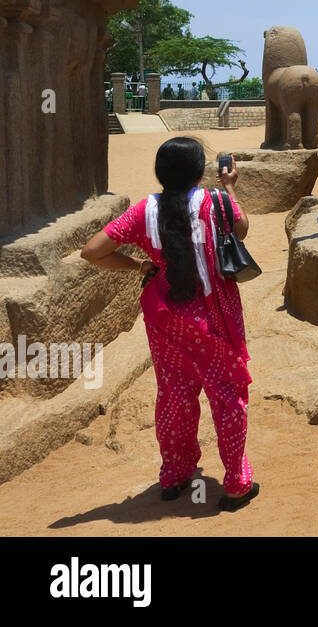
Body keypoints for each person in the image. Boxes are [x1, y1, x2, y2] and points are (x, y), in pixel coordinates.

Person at [79, 137, 258, 511]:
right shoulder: (215, 203)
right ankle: (237, 484)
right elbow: (240, 230)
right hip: (213, 320)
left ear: (161, 173)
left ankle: (175, 476)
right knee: (227, 396)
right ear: (199, 172)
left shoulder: (145, 209)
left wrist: (138, 265)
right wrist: (228, 186)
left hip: (166, 319)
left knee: (175, 395)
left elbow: (92, 251)